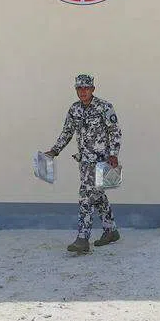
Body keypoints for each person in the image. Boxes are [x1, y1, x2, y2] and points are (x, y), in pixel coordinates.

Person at [44, 73, 121, 254]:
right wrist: (55, 150)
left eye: (86, 88)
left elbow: (115, 131)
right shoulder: (74, 109)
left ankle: (82, 238)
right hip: (85, 162)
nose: (82, 92)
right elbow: (67, 132)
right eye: (79, 88)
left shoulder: (105, 107)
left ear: (93, 89)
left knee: (86, 195)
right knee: (98, 196)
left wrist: (113, 154)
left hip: (102, 161)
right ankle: (111, 230)